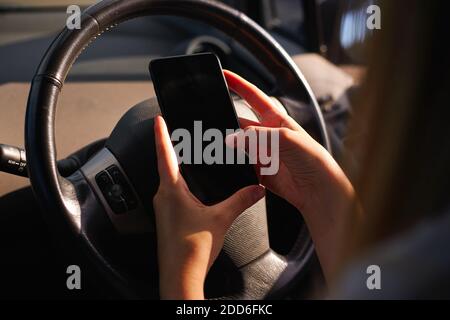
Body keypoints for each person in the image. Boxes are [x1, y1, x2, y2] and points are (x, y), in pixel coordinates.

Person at [153, 1, 450, 300]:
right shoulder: (428, 255)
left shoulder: (424, 274)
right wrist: (319, 189)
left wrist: (180, 270)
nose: (358, 100)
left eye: (374, 64)